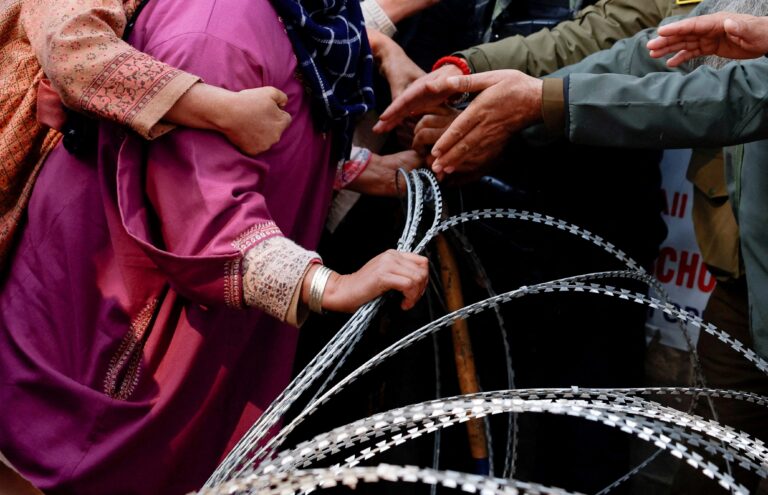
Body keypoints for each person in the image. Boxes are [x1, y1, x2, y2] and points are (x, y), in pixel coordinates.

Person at [0, 0, 429, 494]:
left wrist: (348, 165)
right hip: (115, 332)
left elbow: (284, 88)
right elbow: (203, 212)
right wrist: (329, 285)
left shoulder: (291, 17)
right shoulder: (212, 31)